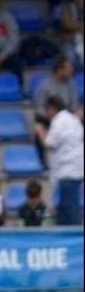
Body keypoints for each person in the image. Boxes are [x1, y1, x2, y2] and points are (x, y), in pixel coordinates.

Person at [36, 96, 84, 225]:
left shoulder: (59, 121)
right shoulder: (73, 120)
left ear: (52, 109)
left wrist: (40, 131)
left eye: (47, 111)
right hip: (76, 169)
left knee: (69, 210)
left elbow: (49, 143)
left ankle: (73, 241)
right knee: (68, 206)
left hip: (67, 171)